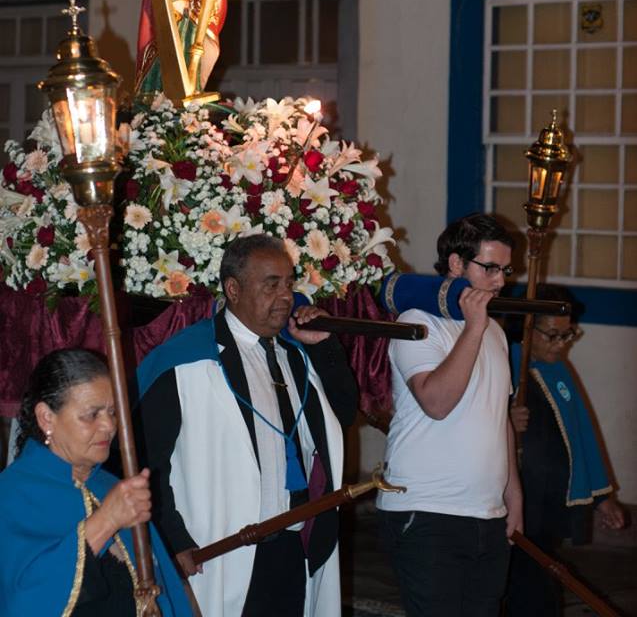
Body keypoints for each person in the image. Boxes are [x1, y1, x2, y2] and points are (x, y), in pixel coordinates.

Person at [135, 233, 359, 617]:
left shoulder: (295, 355)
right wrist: (173, 539)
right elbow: (147, 462)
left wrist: (325, 346)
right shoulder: (185, 362)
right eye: (271, 285)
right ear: (233, 289)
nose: (286, 296)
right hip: (220, 549)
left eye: (289, 283)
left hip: (293, 545)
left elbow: (341, 416)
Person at [376, 212, 523, 617]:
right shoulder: (416, 322)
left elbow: (499, 416)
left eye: (505, 271)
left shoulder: (495, 331)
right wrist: (473, 328)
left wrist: (513, 494)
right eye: (490, 268)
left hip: (487, 512)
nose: (500, 281)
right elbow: (436, 402)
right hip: (427, 510)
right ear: (456, 264)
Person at [0, 348, 191, 617]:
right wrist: (107, 521)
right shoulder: (12, 495)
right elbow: (26, 601)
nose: (109, 426)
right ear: (46, 418)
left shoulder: (110, 486)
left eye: (112, 412)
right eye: (92, 415)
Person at [507, 285, 626, 616]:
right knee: (528, 581)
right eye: (553, 335)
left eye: (568, 334)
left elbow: (580, 433)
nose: (561, 344)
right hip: (517, 499)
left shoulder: (558, 368)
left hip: (549, 500)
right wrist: (504, 422)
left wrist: (602, 497)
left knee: (539, 571)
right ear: (527, 328)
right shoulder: (503, 362)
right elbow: (469, 420)